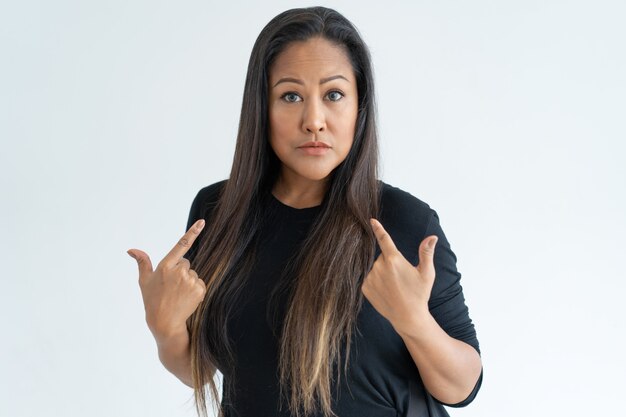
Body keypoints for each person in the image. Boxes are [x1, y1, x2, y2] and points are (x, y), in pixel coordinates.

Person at [127, 6, 483, 417]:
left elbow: (462, 387)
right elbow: (202, 370)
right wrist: (165, 328)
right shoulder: (215, 213)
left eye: (333, 95)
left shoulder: (405, 223)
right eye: (290, 96)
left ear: (359, 107)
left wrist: (414, 323)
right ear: (262, 107)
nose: (314, 120)